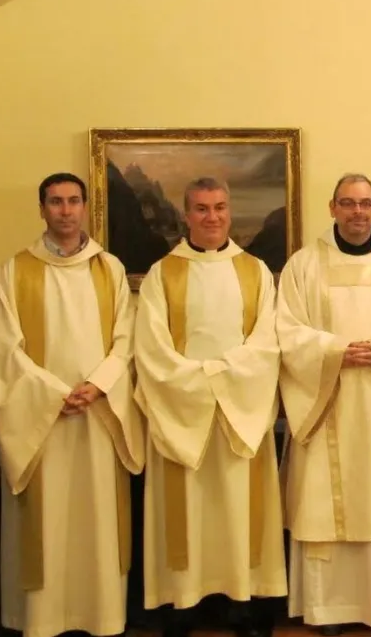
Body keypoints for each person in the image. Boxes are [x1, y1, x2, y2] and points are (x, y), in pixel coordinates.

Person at [0, 172, 143, 637]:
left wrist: (97, 384)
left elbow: (126, 339)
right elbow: (5, 349)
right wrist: (54, 393)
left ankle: (101, 617)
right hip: (41, 420)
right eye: (55, 201)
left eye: (74, 201)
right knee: (47, 518)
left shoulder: (109, 269)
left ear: (85, 207)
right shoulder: (15, 270)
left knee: (96, 519)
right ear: (42, 209)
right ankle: (42, 620)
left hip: (99, 415)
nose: (65, 210)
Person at [133, 177, 286, 637]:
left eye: (219, 207)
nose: (212, 217)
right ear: (187, 215)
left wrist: (223, 379)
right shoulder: (162, 274)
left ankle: (244, 603)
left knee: (238, 510)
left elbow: (267, 343)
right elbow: (151, 349)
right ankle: (183, 603)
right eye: (201, 208)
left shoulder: (255, 272)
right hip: (183, 410)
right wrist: (204, 383)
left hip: (240, 412)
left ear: (229, 211)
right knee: (188, 510)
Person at [278, 174, 371, 636]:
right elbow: (287, 330)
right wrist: (334, 351)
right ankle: (330, 609)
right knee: (326, 504)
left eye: (365, 203)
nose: (357, 212)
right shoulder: (304, 265)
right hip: (328, 401)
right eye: (347, 203)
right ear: (332, 208)